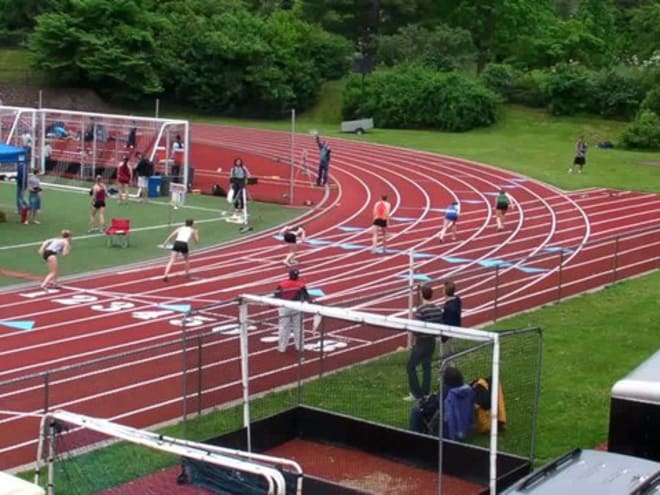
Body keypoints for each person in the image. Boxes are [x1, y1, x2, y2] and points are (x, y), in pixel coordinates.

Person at [409, 366, 474, 441]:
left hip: (446, 430)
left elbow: (432, 408)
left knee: (416, 410)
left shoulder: (446, 391)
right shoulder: (467, 390)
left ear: (446, 379)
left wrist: (422, 405)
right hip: (464, 428)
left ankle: (414, 437)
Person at [405, 285, 444, 401]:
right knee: (426, 366)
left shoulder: (421, 310)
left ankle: (416, 393)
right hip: (431, 342)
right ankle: (426, 392)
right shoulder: (437, 309)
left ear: (422, 295)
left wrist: (414, 334)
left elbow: (417, 328)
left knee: (411, 366)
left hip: (421, 342)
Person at [274, 268, 311, 353]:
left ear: (289, 275)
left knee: (283, 327)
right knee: (298, 327)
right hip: (296, 306)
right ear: (297, 276)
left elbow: (276, 294)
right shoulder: (301, 284)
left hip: (284, 306)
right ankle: (300, 347)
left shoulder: (282, 284)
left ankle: (282, 348)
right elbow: (306, 297)